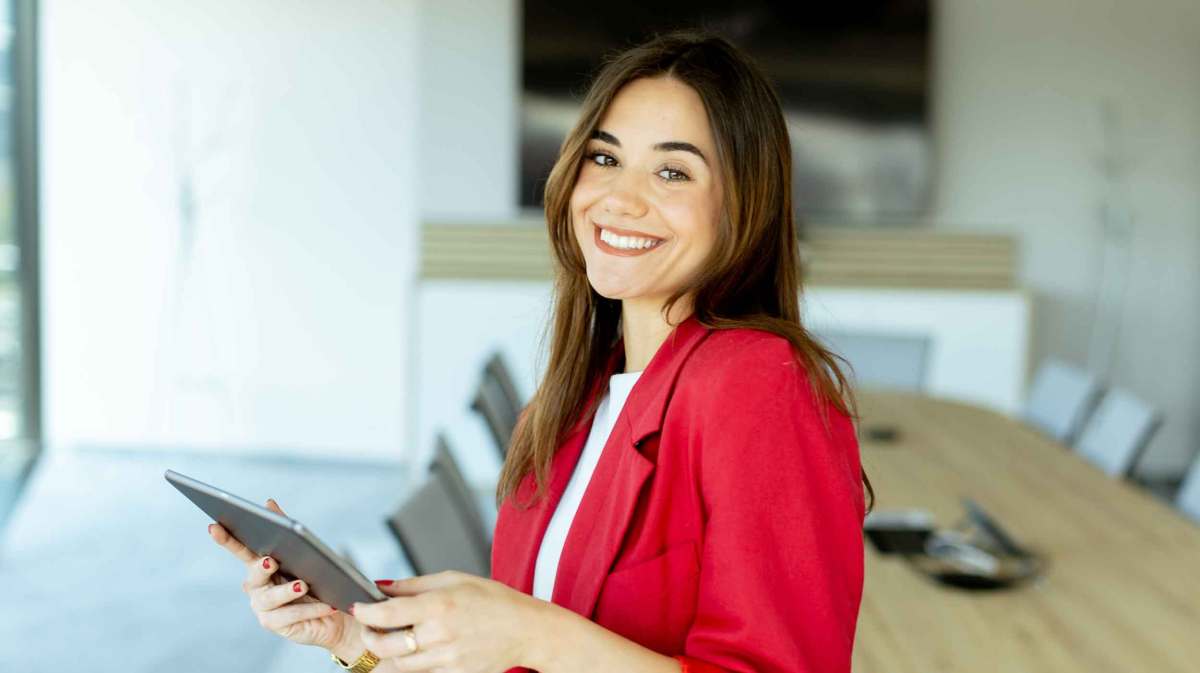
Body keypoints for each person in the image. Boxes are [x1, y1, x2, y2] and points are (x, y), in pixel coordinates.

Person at [208, 28, 872, 673]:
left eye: (672, 171)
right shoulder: (561, 412)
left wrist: (533, 632)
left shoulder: (756, 380)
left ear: (741, 206)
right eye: (605, 158)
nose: (620, 197)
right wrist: (357, 638)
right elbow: (514, 657)